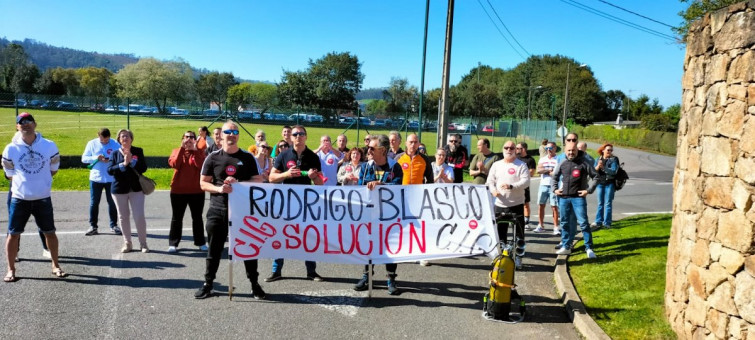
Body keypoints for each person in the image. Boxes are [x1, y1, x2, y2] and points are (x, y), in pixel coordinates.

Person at [194, 121, 266, 299]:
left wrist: (239, 184)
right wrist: (219, 189)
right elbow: (203, 182)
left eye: (235, 132)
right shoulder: (213, 157)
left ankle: (254, 284)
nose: (232, 135)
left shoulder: (248, 157)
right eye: (228, 131)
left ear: (238, 135)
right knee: (214, 250)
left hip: (243, 212)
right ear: (222, 135)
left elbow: (259, 180)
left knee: (248, 249)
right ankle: (208, 283)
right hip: (218, 210)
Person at [3, 112, 67, 282]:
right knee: (13, 234)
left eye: (29, 121)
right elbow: (9, 174)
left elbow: (54, 168)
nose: (26, 124)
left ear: (35, 124)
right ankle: (11, 269)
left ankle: (55, 265)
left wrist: (41, 183)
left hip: (43, 198)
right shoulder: (10, 148)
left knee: (50, 233)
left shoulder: (49, 145)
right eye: (21, 122)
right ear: (17, 126)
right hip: (19, 199)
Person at [266, 125, 324, 282]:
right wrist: (286, 174)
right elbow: (271, 178)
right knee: (281, 234)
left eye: (301, 134)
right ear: (291, 137)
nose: (298, 136)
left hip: (306, 203)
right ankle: (276, 271)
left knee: (308, 236)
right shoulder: (283, 155)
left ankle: (311, 271)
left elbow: (320, 184)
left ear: (306, 137)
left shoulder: (313, 156)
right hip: (286, 202)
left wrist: (313, 176)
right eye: (295, 134)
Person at [353, 134, 404, 295]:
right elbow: (360, 188)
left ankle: (391, 279)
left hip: (388, 216)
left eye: (371, 148)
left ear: (382, 150)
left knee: (390, 247)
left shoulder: (395, 167)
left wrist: (381, 185)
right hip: (369, 215)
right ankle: (366, 276)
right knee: (368, 247)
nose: (368, 150)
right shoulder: (366, 166)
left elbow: (397, 188)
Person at [486, 141, 530, 270]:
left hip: (516, 204)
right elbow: (490, 181)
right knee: (500, 234)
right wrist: (493, 191)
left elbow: (526, 181)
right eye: (506, 147)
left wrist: (512, 186)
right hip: (500, 204)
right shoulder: (496, 165)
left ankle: (518, 258)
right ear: (502, 149)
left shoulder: (521, 165)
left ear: (515, 150)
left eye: (512, 148)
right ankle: (500, 258)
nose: (509, 150)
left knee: (519, 234)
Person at [552, 142, 597, 259]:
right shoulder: (562, 163)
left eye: (573, 150)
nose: (571, 153)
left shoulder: (584, 163)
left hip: (578, 199)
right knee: (564, 223)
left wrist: (589, 190)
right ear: (565, 151)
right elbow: (554, 177)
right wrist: (555, 189)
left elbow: (596, 176)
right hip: (564, 198)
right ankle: (566, 246)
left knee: (583, 223)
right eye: (569, 151)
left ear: (577, 151)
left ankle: (589, 248)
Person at [107, 129, 149, 253]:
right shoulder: (115, 153)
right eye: (122, 136)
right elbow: (110, 170)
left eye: (127, 136)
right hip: (119, 190)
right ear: (119, 139)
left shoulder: (138, 151)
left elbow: (144, 168)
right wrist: (123, 164)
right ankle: (127, 243)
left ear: (131, 139)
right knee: (123, 217)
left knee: (139, 216)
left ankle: (143, 244)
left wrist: (133, 162)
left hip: (136, 189)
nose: (124, 138)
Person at [167, 130, 207, 253]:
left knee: (197, 218)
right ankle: (173, 243)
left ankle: (200, 242)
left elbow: (202, 167)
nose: (189, 139)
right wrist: (181, 149)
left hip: (196, 191)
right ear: (182, 139)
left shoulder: (200, 153)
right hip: (178, 191)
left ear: (195, 140)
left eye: (192, 137)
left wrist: (195, 151)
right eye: (186, 137)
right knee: (177, 218)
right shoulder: (176, 151)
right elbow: (175, 164)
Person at [82, 128, 121, 236]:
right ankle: (93, 226)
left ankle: (114, 225)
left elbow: (121, 157)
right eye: (102, 140)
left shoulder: (115, 144)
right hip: (96, 178)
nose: (105, 142)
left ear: (109, 137)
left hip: (111, 178)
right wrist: (96, 158)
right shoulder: (92, 143)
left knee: (112, 202)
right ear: (98, 136)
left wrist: (110, 159)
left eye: (107, 140)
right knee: (94, 202)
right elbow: (84, 159)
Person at [592, 143, 619, 230]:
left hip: (609, 183)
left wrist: (604, 168)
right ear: (603, 150)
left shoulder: (613, 160)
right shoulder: (598, 159)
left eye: (611, 150)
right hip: (600, 183)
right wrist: (598, 166)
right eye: (608, 150)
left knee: (608, 203)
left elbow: (614, 171)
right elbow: (594, 171)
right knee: (600, 203)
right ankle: (598, 221)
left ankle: (607, 223)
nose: (610, 152)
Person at [535, 142, 560, 234]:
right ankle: (540, 225)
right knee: (541, 205)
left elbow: (557, 172)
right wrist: (549, 170)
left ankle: (556, 227)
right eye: (547, 148)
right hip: (543, 185)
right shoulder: (542, 159)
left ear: (555, 148)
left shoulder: (558, 159)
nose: (549, 150)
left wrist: (545, 171)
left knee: (554, 206)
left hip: (554, 185)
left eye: (551, 148)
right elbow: (539, 170)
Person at [516, 142, 536, 228]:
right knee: (515, 202)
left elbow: (531, 173)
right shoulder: (515, 158)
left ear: (523, 149)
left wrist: (521, 173)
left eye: (518, 148)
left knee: (525, 203)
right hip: (515, 184)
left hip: (525, 184)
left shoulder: (530, 160)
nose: (516, 150)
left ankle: (526, 221)